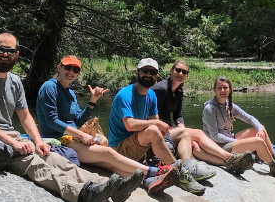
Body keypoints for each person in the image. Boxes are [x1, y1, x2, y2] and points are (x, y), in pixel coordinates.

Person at [0, 32, 142, 202]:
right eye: (0, 49)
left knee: (57, 160)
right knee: (35, 164)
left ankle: (111, 187)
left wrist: (38, 142)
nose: (5, 54)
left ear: (17, 54)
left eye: (10, 51)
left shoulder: (15, 81)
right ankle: (85, 193)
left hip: (12, 136)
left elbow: (25, 116)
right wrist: (14, 143)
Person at [35, 55, 179, 194]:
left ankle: (147, 180)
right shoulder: (49, 87)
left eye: (76, 69)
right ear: (59, 67)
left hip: (73, 137)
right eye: (68, 67)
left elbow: (78, 121)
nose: (71, 72)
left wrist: (92, 101)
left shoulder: (71, 93)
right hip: (59, 139)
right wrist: (80, 134)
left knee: (110, 164)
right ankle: (154, 173)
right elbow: (51, 121)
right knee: (109, 153)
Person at [107, 58, 208, 195]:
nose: (148, 74)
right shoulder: (125, 95)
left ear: (156, 76)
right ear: (137, 72)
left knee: (183, 133)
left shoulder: (151, 95)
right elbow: (130, 125)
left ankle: (187, 167)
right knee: (154, 129)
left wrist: (164, 138)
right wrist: (156, 124)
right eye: (145, 71)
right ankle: (181, 176)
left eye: (152, 72)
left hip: (139, 142)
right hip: (120, 148)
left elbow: (159, 126)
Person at [152, 60, 254, 175]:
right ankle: (230, 157)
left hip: (169, 128)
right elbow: (153, 117)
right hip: (159, 129)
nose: (180, 74)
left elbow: (178, 116)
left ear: (187, 75)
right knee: (199, 133)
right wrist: (181, 132)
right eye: (178, 70)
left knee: (195, 146)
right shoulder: (161, 89)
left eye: (184, 72)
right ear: (171, 70)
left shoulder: (179, 91)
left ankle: (227, 164)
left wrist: (182, 129)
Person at [202, 76, 275, 178]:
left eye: (225, 88)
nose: (222, 90)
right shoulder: (209, 109)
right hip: (218, 146)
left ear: (230, 90)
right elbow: (215, 136)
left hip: (230, 140)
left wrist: (259, 130)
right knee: (258, 142)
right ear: (214, 90)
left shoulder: (229, 106)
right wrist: (236, 141)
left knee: (261, 128)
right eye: (219, 88)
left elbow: (250, 118)